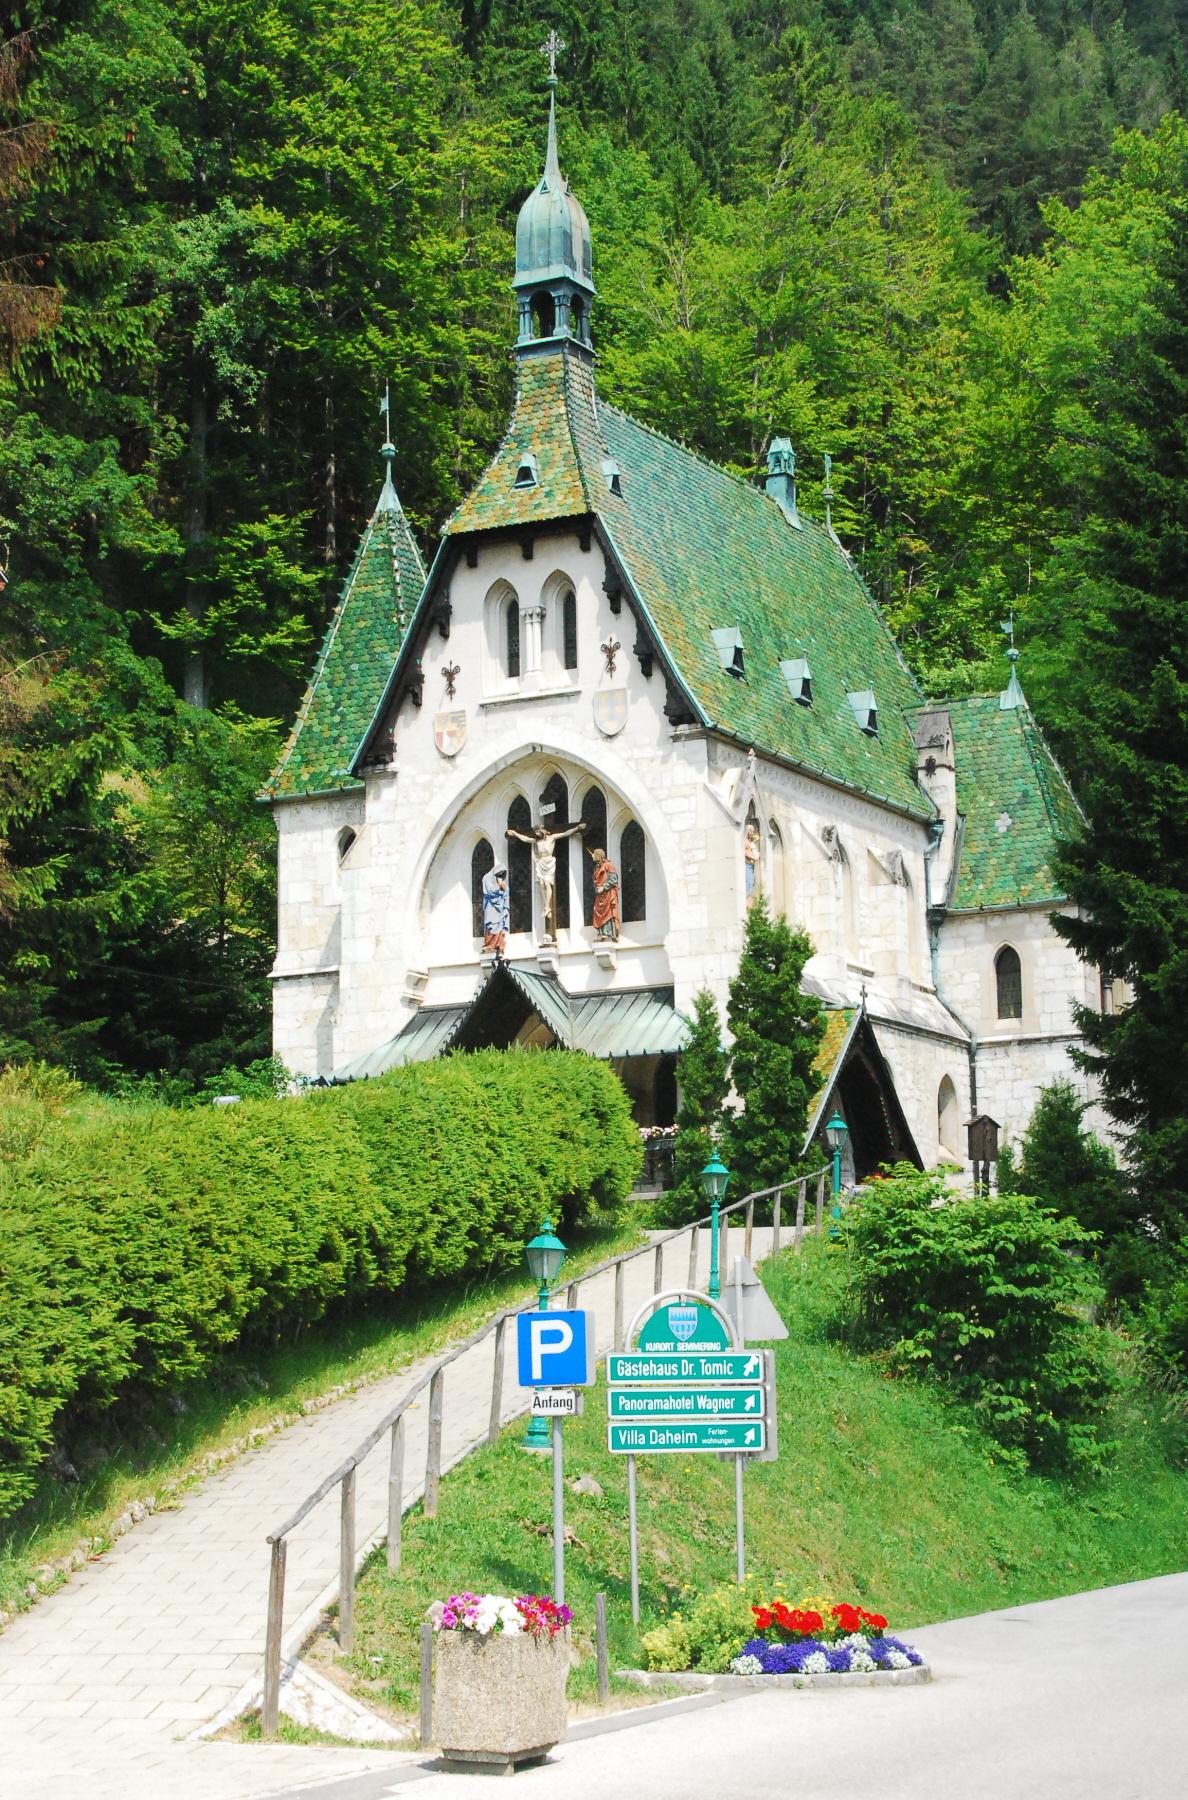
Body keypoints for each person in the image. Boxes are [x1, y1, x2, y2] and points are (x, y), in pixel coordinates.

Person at [506, 818, 587, 942]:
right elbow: (525, 839)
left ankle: (547, 906)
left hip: (549, 862)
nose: (536, 834)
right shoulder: (536, 841)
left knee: (547, 884)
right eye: (535, 832)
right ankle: (546, 907)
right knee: (542, 884)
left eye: (538, 832)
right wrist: (515, 834)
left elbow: (565, 833)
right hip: (540, 863)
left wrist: (577, 828)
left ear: (542, 831)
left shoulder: (552, 837)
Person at [588, 847, 621, 941]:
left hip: (608, 894)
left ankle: (608, 933)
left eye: (593, 854)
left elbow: (613, 879)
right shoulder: (597, 868)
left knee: (608, 912)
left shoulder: (608, 865)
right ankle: (601, 933)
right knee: (598, 911)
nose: (592, 856)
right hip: (600, 895)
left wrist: (604, 887)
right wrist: (597, 888)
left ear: (598, 855)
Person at [481, 865, 509, 957]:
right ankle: (489, 945)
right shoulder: (486, 878)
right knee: (491, 925)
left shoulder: (501, 880)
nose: (500, 876)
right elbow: (490, 891)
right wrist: (498, 886)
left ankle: (498, 945)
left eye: (502, 874)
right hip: (491, 906)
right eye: (499, 874)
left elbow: (505, 892)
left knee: (499, 925)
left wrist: (504, 888)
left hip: (500, 908)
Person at [743, 818, 762, 900]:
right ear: (747, 831)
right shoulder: (744, 841)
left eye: (753, 831)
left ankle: (748, 898)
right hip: (747, 864)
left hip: (751, 864)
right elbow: (744, 852)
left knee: (752, 882)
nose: (752, 833)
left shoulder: (750, 841)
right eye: (751, 831)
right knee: (749, 882)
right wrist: (753, 857)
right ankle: (746, 899)